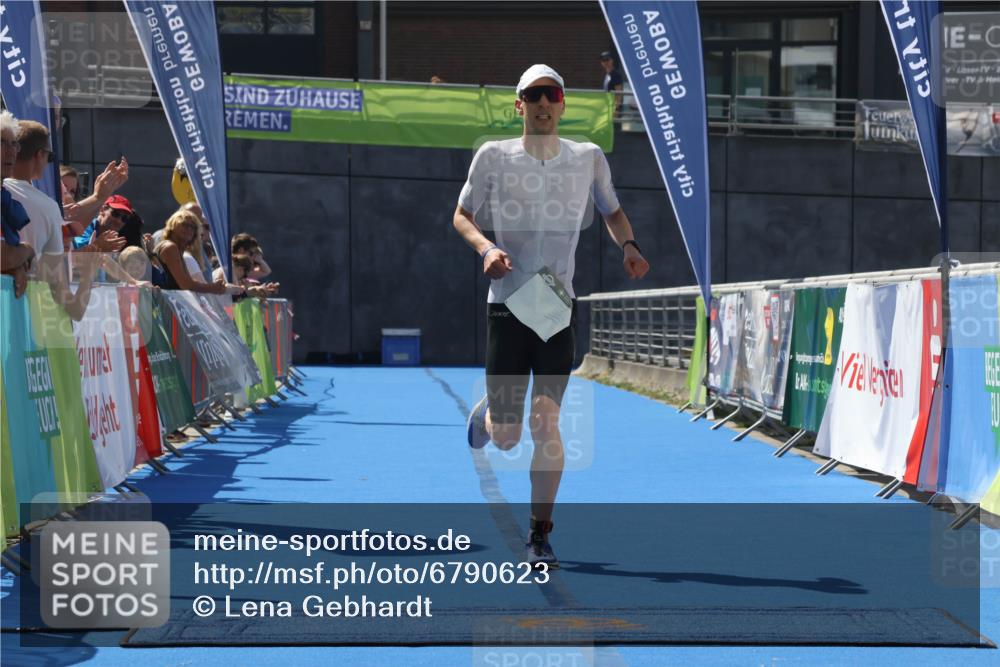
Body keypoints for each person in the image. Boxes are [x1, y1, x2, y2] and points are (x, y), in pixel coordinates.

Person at [453, 65, 649, 568]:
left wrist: (628, 244)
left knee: (546, 423)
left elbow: (611, 211)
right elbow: (462, 215)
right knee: (508, 436)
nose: (543, 102)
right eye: (533, 95)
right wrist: (485, 249)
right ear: (518, 105)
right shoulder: (493, 156)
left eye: (552, 94)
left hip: (556, 305)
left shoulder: (588, 158)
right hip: (510, 300)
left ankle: (540, 533)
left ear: (563, 105)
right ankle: (491, 414)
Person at [155, 208, 240, 296]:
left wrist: (216, 288)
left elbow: (188, 282)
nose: (188, 228)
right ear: (172, 226)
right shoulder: (170, 247)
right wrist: (213, 288)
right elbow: (185, 284)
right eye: (184, 224)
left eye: (193, 227)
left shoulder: (177, 249)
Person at [1, 111, 35, 298]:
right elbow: (2, 258)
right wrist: (27, 250)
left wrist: (16, 268)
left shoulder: (4, 197)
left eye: (14, 143)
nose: (11, 150)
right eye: (2, 142)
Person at [599, 51, 624, 117]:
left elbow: (619, 93)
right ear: (601, 63)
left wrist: (617, 109)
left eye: (607, 59)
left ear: (612, 60)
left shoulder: (615, 75)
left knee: (616, 127)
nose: (606, 62)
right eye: (603, 60)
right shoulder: (607, 75)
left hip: (614, 108)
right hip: (608, 107)